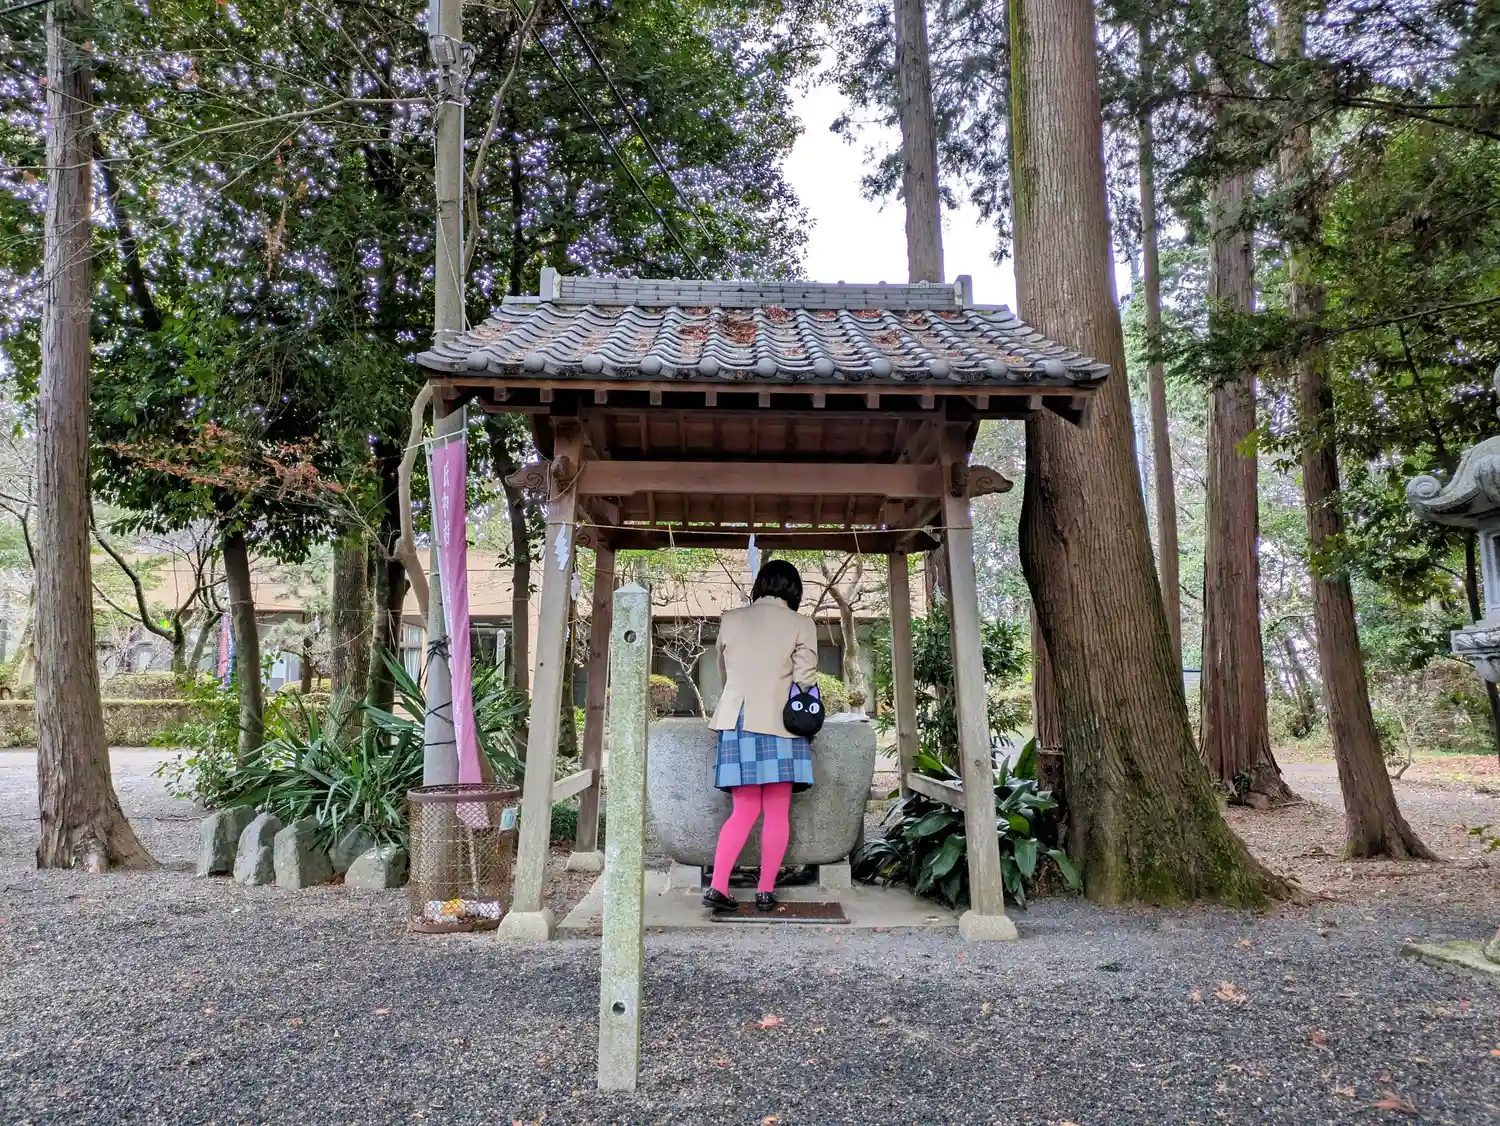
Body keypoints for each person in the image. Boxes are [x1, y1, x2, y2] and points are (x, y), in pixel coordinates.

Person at [702, 559, 819, 913]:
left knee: (744, 809)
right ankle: (765, 891)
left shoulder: (731, 619)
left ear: (760, 586)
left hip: (737, 719)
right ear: (794, 589)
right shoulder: (801, 624)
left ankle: (719, 886)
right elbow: (805, 678)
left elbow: (724, 673)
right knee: (777, 810)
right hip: (781, 723)